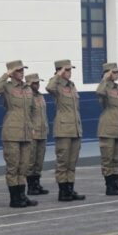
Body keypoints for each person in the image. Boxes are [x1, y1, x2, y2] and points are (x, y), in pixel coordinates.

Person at [0, 60, 37, 208]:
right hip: (12, 131)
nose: (22, 72)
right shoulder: (7, 86)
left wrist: (31, 126)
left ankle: (22, 195)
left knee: (23, 166)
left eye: (22, 70)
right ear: (12, 72)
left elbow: (31, 109)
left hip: (25, 131)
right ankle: (14, 198)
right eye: (18, 70)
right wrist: (6, 75)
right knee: (13, 166)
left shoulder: (27, 88)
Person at [46, 60, 85, 201]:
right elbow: (49, 87)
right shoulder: (57, 85)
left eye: (70, 70)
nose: (69, 72)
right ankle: (63, 192)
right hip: (63, 129)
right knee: (63, 162)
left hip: (75, 128)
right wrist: (58, 75)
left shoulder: (72, 85)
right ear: (60, 71)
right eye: (66, 70)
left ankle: (70, 189)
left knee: (72, 161)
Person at [96, 63, 118, 196]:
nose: (116, 74)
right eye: (114, 72)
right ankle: (109, 186)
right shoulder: (104, 87)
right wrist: (105, 78)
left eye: (117, 72)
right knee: (108, 158)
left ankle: (116, 184)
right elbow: (99, 92)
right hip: (108, 128)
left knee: (116, 158)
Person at [26, 73, 49, 195]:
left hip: (42, 132)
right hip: (33, 133)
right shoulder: (27, 96)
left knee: (39, 161)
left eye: (38, 82)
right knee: (31, 160)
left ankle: (37, 184)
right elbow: (26, 114)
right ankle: (31, 186)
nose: (37, 85)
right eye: (34, 83)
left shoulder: (40, 96)